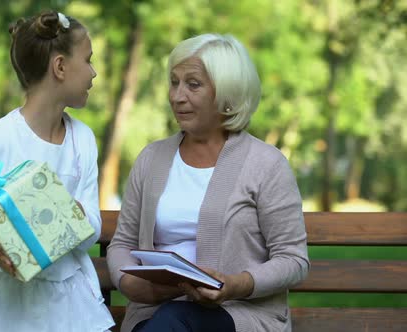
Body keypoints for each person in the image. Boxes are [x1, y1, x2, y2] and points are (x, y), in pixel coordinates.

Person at [107, 33, 310, 332]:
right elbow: (122, 243)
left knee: (173, 321)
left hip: (237, 314)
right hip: (155, 314)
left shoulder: (266, 164)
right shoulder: (151, 158)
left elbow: (294, 261)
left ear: (226, 94)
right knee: (168, 321)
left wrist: (235, 284)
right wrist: (128, 283)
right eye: (174, 82)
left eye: (193, 84)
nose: (177, 96)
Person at [0, 10, 114, 332]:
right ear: (60, 67)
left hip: (64, 304)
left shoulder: (83, 140)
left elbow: (91, 225)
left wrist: (70, 215)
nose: (94, 72)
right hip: (0, 307)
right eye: (88, 60)